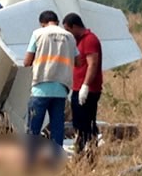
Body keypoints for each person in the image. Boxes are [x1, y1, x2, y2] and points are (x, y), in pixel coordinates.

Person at [23, 10, 77, 147]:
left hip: (41, 87)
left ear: (42, 23)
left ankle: (30, 161)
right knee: (57, 128)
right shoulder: (69, 36)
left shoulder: (38, 34)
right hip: (61, 89)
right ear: (57, 22)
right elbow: (79, 61)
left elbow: (27, 61)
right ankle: (56, 161)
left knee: (33, 129)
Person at [63, 12, 103, 156]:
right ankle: (83, 150)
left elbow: (93, 64)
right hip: (77, 87)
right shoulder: (78, 41)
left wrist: (85, 86)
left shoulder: (90, 40)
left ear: (74, 27)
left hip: (88, 90)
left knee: (86, 122)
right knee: (79, 123)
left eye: (68, 30)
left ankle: (87, 150)